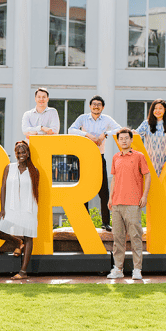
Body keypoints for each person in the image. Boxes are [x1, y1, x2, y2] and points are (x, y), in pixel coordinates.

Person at [68, 95, 121, 231]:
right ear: (90, 106)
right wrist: (87, 135)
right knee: (83, 189)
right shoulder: (83, 118)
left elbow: (119, 129)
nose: (96, 106)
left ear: (102, 107)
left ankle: (105, 222)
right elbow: (71, 130)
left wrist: (106, 134)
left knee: (104, 190)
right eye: (93, 104)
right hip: (84, 157)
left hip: (99, 157)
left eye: (99, 104)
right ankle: (84, 222)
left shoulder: (107, 119)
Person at [106, 128, 151, 280]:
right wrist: (111, 198)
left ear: (131, 140)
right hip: (117, 204)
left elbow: (147, 175)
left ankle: (137, 269)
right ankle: (118, 269)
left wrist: (144, 196)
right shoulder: (115, 157)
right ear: (118, 141)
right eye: (121, 138)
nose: (124, 140)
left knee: (135, 237)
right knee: (117, 239)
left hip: (133, 203)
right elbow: (114, 179)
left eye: (126, 138)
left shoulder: (139, 156)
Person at [0, 141, 39, 280]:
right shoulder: (9, 168)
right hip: (11, 207)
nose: (21, 155)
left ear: (28, 153)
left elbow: (35, 191)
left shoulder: (34, 170)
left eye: (23, 152)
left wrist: (32, 210)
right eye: (18, 153)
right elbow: (3, 188)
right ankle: (18, 242)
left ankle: (23, 272)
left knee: (29, 237)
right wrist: (2, 209)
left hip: (28, 208)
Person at [133, 99, 166, 176]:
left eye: (160, 108)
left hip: (164, 162)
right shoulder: (146, 123)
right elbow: (136, 136)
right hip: (148, 162)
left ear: (165, 110)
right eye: (155, 108)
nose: (157, 111)